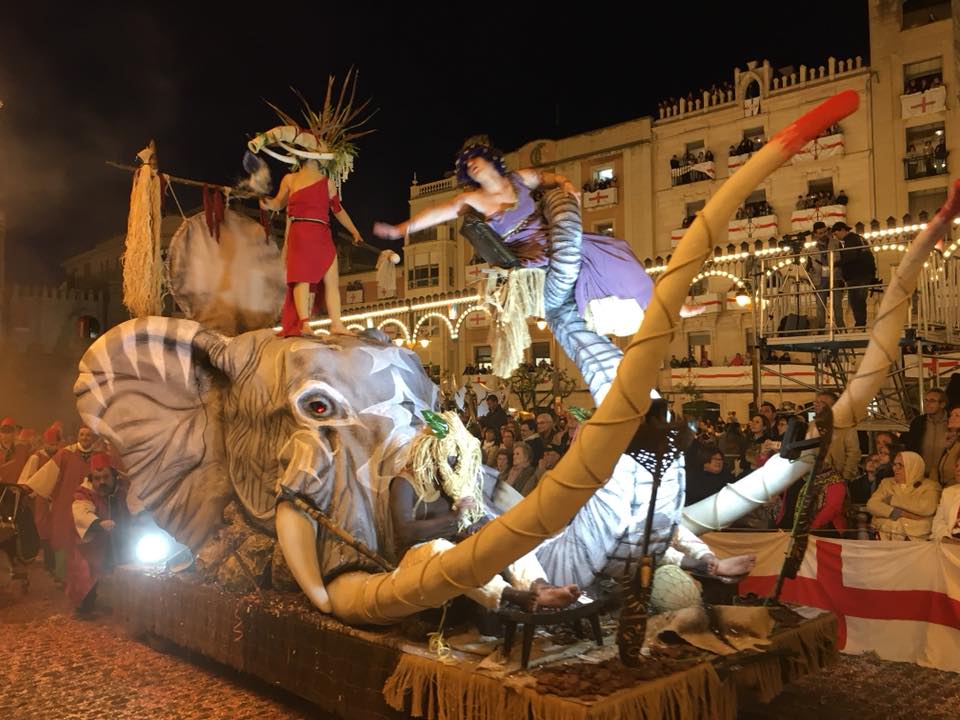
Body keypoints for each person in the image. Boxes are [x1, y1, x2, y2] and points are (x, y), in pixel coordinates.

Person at [374, 136, 654, 337]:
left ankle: (651, 303)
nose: (471, 165)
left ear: (489, 159)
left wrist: (566, 183)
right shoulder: (472, 199)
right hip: (531, 258)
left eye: (474, 159)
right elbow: (437, 213)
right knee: (578, 268)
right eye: (466, 165)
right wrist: (401, 229)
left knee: (613, 247)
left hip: (557, 241)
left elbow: (549, 178)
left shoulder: (519, 179)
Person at [389, 420, 578, 612]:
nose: (454, 463)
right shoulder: (404, 482)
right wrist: (453, 518)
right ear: (432, 452)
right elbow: (405, 532)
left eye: (456, 457)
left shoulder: (447, 483)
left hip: (449, 549)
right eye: (450, 457)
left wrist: (478, 528)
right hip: (415, 557)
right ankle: (508, 594)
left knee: (502, 533)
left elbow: (462, 523)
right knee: (442, 549)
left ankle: (539, 586)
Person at [259, 158, 363, 337]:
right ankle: (304, 323)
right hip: (300, 232)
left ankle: (337, 324)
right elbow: (278, 203)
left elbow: (338, 210)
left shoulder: (328, 183)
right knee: (302, 278)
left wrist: (354, 231)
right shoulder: (290, 179)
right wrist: (267, 203)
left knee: (332, 279)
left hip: (322, 233)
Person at [23, 426, 102, 581]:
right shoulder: (66, 453)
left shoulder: (98, 456)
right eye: (82, 434)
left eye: (88, 435)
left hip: (90, 503)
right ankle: (62, 575)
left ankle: (86, 576)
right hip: (66, 502)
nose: (85, 437)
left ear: (93, 437)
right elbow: (49, 472)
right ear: (78, 436)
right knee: (63, 537)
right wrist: (30, 487)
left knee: (87, 537)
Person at [69, 453, 131, 616]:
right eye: (97, 478)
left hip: (121, 538)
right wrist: (98, 523)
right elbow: (81, 512)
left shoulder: (124, 490)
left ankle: (128, 605)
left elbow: (136, 506)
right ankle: (84, 606)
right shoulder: (85, 493)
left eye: (106, 477)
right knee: (87, 571)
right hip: (94, 542)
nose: (102, 482)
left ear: (114, 476)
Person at [867, 451, 940, 540]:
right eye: (894, 464)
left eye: (900, 465)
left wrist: (892, 500)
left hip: (916, 539)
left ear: (913, 466)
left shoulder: (930, 486)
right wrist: (900, 513)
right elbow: (872, 505)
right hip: (885, 536)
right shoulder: (886, 483)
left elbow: (926, 508)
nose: (895, 468)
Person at [832, 221, 875, 328]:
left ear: (842, 230)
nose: (836, 237)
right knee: (860, 300)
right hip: (866, 273)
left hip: (856, 274)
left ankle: (860, 324)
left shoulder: (850, 240)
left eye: (836, 234)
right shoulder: (860, 238)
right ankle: (861, 323)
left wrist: (835, 264)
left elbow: (850, 257)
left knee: (856, 300)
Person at [903, 387, 950, 475]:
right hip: (921, 473)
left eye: (932, 401)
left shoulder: (952, 421)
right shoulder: (918, 422)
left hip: (946, 474)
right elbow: (911, 447)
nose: (927, 404)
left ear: (942, 404)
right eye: (926, 400)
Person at [931, 456, 960, 542]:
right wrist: (945, 538)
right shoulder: (948, 492)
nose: (958, 470)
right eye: (957, 466)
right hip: (949, 541)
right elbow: (938, 522)